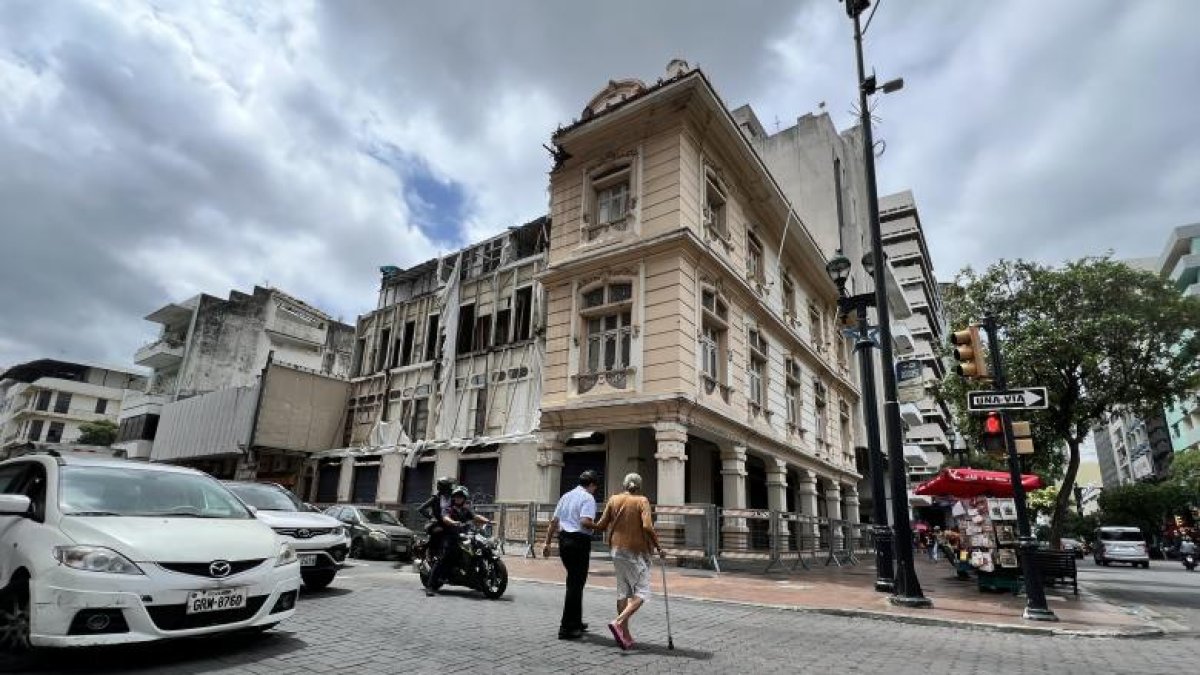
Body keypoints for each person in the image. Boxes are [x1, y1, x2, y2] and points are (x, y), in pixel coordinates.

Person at [591, 473, 662, 650]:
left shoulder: (614, 499)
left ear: (624, 484)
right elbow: (647, 526)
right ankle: (618, 622)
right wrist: (659, 547)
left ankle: (624, 633)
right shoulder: (642, 501)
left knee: (623, 591)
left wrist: (584, 524)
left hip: (616, 550)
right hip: (635, 552)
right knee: (642, 593)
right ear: (639, 486)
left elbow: (600, 525)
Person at [542, 470, 600, 640]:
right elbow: (585, 522)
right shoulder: (588, 498)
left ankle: (576, 621)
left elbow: (554, 521)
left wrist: (547, 543)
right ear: (592, 484)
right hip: (579, 542)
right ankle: (567, 628)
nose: (595, 490)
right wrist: (601, 527)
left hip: (564, 541)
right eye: (595, 486)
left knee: (574, 581)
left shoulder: (566, 496)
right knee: (576, 584)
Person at [425, 485, 491, 596]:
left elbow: (476, 517)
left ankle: (476, 580)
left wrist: (488, 521)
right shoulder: (449, 508)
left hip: (465, 536)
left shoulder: (466, 509)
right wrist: (453, 522)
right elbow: (445, 517)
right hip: (451, 536)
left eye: (461, 497)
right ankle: (430, 586)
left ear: (464, 498)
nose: (458, 498)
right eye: (456, 496)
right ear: (453, 498)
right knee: (445, 558)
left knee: (478, 551)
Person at [418, 477, 456, 594]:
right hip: (439, 528)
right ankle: (430, 586)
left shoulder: (453, 498)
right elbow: (421, 509)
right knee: (442, 556)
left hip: (451, 526)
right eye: (449, 486)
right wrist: (432, 518)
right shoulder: (436, 498)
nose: (452, 488)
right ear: (444, 488)